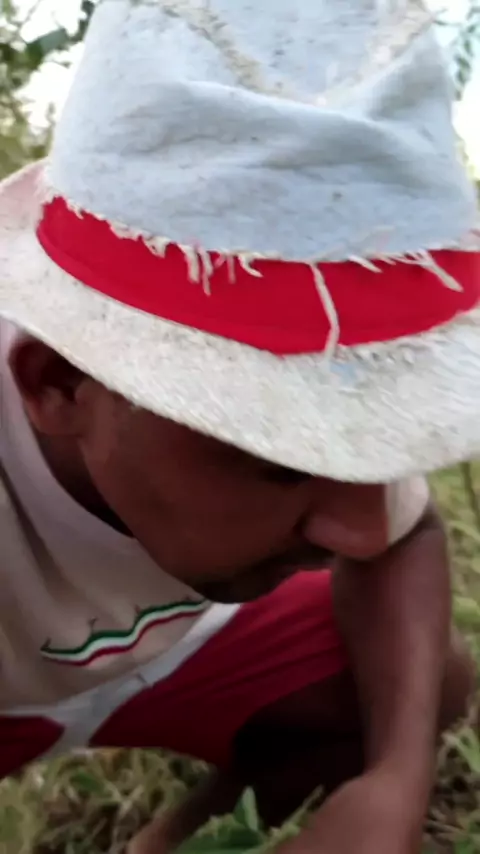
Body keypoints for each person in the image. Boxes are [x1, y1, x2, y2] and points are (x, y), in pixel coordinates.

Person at [0, 0, 479, 852]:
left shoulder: (320, 342)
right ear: (60, 383)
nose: (360, 528)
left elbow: (405, 538)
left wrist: (393, 783)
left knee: (413, 679)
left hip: (181, 654)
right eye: (276, 455)